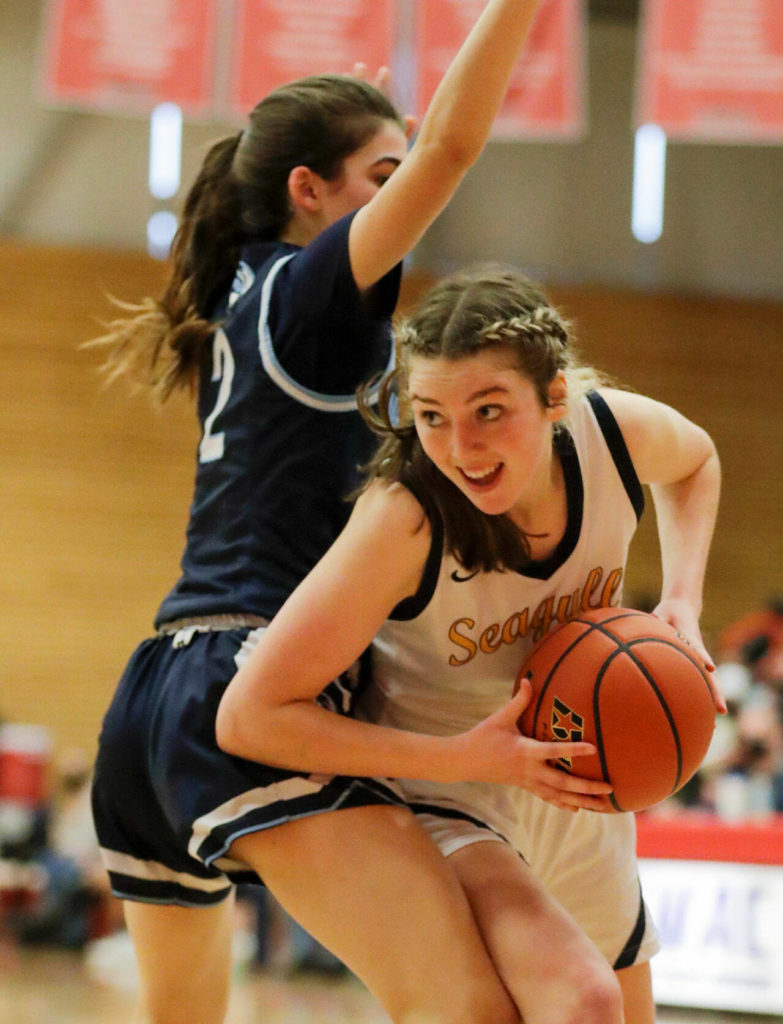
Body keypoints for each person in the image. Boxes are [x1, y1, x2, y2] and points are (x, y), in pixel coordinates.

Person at [89, 4, 613, 1023]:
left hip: (151, 695)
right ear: (307, 191)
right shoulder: (311, 298)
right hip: (251, 683)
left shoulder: (245, 297)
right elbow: (454, 146)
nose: (401, 195)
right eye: (382, 175)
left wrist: (383, 148)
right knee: (467, 1009)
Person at [217, 265, 725, 1024]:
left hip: (580, 784)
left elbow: (696, 461)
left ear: (554, 396)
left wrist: (681, 601)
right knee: (581, 999)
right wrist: (464, 757)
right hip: (448, 792)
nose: (462, 448)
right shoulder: (405, 520)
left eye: (489, 410)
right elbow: (249, 717)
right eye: (431, 416)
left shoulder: (610, 435)